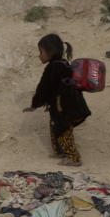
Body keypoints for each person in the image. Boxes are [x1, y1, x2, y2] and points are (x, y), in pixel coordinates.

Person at [23, 33, 90, 166]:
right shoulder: (63, 64)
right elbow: (55, 87)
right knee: (55, 126)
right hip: (69, 105)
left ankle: (73, 158)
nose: (39, 55)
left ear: (50, 52)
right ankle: (60, 151)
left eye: (41, 52)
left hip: (65, 108)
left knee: (63, 129)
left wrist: (35, 104)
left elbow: (44, 88)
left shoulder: (52, 67)